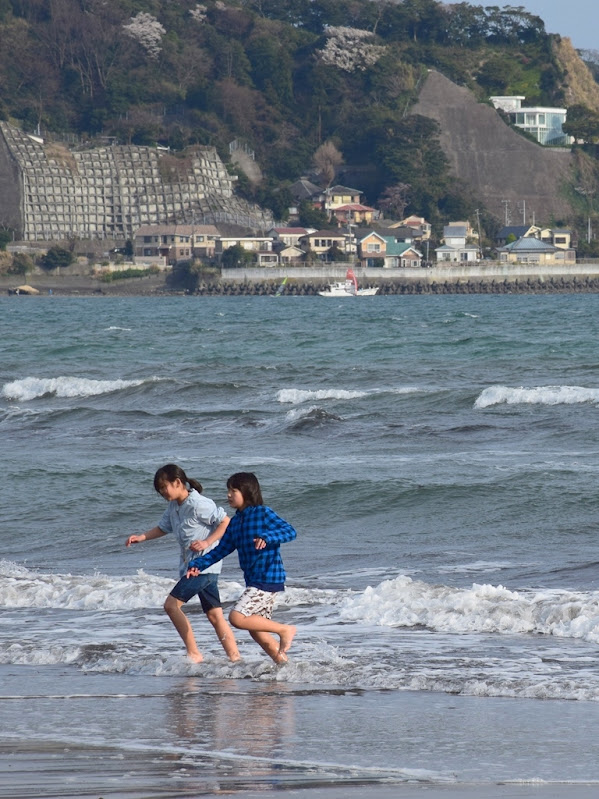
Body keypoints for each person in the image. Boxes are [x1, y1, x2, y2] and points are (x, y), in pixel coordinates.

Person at [126, 463, 240, 663]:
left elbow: (225, 522)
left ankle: (194, 653)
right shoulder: (174, 507)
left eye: (164, 487)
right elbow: (163, 527)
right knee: (215, 616)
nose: (162, 492)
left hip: (202, 567)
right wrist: (140, 537)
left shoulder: (199, 503)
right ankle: (235, 658)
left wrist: (206, 542)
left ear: (177, 482)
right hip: (196, 568)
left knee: (171, 606)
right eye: (159, 489)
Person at [187, 471, 297, 664]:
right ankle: (285, 667)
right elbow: (220, 550)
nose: (228, 495)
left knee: (237, 618)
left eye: (233, 490)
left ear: (247, 491)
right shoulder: (236, 522)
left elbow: (290, 531)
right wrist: (197, 564)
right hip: (254, 580)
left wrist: (267, 537)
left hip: (268, 577)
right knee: (257, 632)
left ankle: (285, 630)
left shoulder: (263, 513)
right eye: (228, 490)